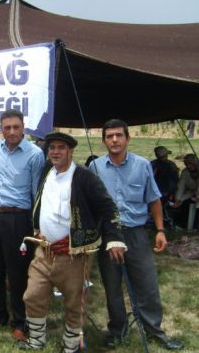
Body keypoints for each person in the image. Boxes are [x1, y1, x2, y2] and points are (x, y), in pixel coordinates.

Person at [19, 132, 125, 352]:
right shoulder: (47, 171)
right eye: (52, 148)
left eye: (60, 148)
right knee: (32, 296)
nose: (55, 152)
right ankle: (36, 340)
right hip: (44, 251)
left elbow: (109, 209)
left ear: (70, 151)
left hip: (74, 254)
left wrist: (114, 239)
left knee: (74, 303)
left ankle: (71, 345)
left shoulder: (84, 177)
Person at [90, 119, 184, 350]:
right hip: (108, 235)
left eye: (119, 135)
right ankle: (117, 329)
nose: (114, 140)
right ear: (103, 141)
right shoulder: (95, 168)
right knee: (112, 286)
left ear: (127, 138)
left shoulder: (142, 165)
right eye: (109, 136)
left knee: (147, 283)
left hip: (136, 233)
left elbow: (153, 199)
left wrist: (161, 230)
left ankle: (154, 330)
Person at [0, 109, 44, 341]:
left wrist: (35, 224)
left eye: (16, 127)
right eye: (7, 128)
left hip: (18, 218)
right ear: (1, 129)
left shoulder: (35, 154)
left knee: (18, 272)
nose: (11, 132)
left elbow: (36, 191)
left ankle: (20, 320)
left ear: (23, 127)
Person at [174, 153, 198, 230]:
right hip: (191, 192)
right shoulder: (185, 172)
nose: (188, 166)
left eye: (190, 164)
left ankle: (195, 226)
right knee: (183, 203)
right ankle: (182, 224)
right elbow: (181, 186)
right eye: (186, 164)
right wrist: (178, 199)